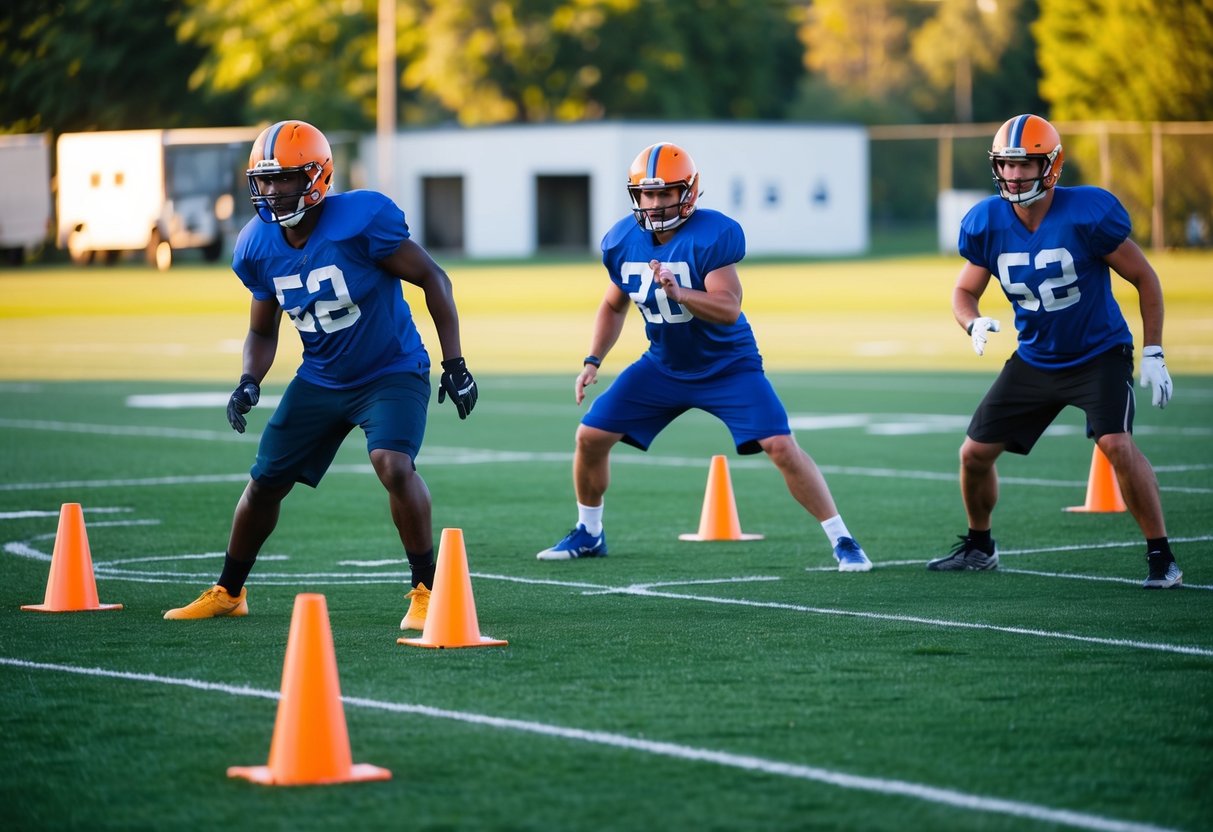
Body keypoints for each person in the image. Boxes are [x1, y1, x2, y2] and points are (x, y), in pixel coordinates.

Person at [165, 119, 479, 623]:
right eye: (265, 180)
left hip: (390, 370)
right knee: (265, 481)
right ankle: (229, 592)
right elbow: (262, 330)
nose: (272, 191)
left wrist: (455, 363)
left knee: (393, 464)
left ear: (316, 176)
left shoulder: (360, 221)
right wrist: (249, 381)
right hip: (321, 378)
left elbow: (432, 277)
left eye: (284, 178)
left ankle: (427, 589)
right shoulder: (257, 245)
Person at [535, 142, 871, 572]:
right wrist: (592, 359)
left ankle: (842, 538)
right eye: (648, 194)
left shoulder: (711, 234)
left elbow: (729, 307)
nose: (655, 203)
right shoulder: (622, 240)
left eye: (665, 193)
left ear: (688, 192)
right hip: (663, 365)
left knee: (781, 446)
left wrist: (681, 293)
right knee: (590, 437)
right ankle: (589, 532)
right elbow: (613, 305)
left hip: (727, 366)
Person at [930, 114, 1180, 589]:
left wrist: (1153, 351)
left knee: (1116, 444)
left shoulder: (1086, 213)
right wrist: (972, 321)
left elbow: (1145, 277)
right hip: (1036, 357)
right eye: (1006, 164)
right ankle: (980, 547)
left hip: (1098, 353)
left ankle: (1161, 555)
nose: (1014, 174)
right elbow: (963, 291)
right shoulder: (987, 221)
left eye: (1025, 164)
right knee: (973, 455)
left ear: (1051, 166)